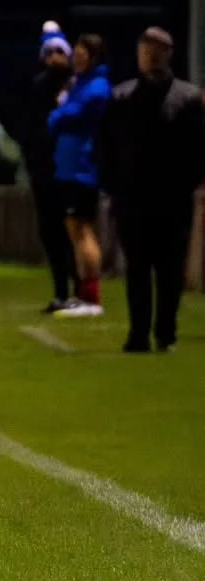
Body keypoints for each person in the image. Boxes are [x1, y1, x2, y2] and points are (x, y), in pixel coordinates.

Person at [98, 27, 205, 353]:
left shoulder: (188, 99)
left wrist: (190, 183)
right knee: (137, 269)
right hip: (133, 198)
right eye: (146, 52)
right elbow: (107, 146)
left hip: (173, 199)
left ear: (169, 54)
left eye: (157, 52)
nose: (151, 58)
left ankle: (166, 332)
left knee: (170, 271)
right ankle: (139, 332)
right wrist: (113, 186)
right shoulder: (122, 97)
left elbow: (199, 148)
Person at [46, 33, 111, 317]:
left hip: (83, 167)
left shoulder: (96, 87)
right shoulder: (80, 83)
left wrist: (58, 114)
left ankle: (92, 297)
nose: (76, 60)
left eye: (82, 55)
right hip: (69, 165)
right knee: (74, 229)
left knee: (82, 229)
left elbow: (66, 116)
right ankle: (82, 293)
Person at [17, 22, 79, 312]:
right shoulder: (38, 87)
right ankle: (61, 291)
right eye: (50, 51)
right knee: (52, 234)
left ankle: (83, 291)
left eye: (59, 51)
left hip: (73, 170)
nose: (55, 56)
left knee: (76, 232)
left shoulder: (79, 85)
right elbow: (29, 129)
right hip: (45, 171)